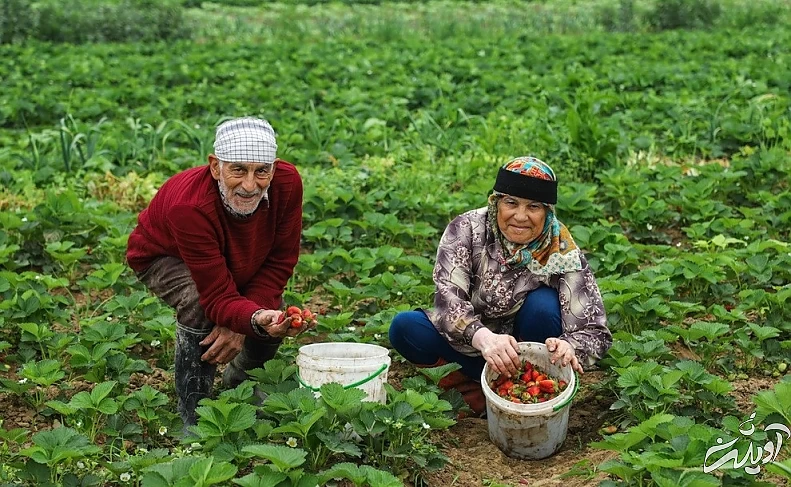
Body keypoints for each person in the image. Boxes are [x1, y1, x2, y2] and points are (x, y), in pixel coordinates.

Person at [389, 156, 612, 416]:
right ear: (496, 203)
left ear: (548, 212)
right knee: (405, 327)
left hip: (527, 355)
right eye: (511, 203)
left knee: (543, 305)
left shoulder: (560, 248)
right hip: (471, 347)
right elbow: (448, 300)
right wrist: (483, 338)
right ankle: (474, 392)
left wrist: (570, 346)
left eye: (534, 207)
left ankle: (530, 394)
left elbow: (594, 329)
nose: (520, 216)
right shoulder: (467, 229)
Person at [126, 117, 312, 429]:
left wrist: (251, 320)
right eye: (237, 169)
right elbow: (216, 294)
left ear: (274, 168)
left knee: (270, 312)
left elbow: (279, 261)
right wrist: (244, 318)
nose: (250, 185)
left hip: (237, 256)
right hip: (165, 256)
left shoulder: (288, 183)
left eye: (261, 171)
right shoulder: (189, 206)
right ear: (215, 167)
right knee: (200, 305)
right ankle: (196, 416)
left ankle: (242, 384)